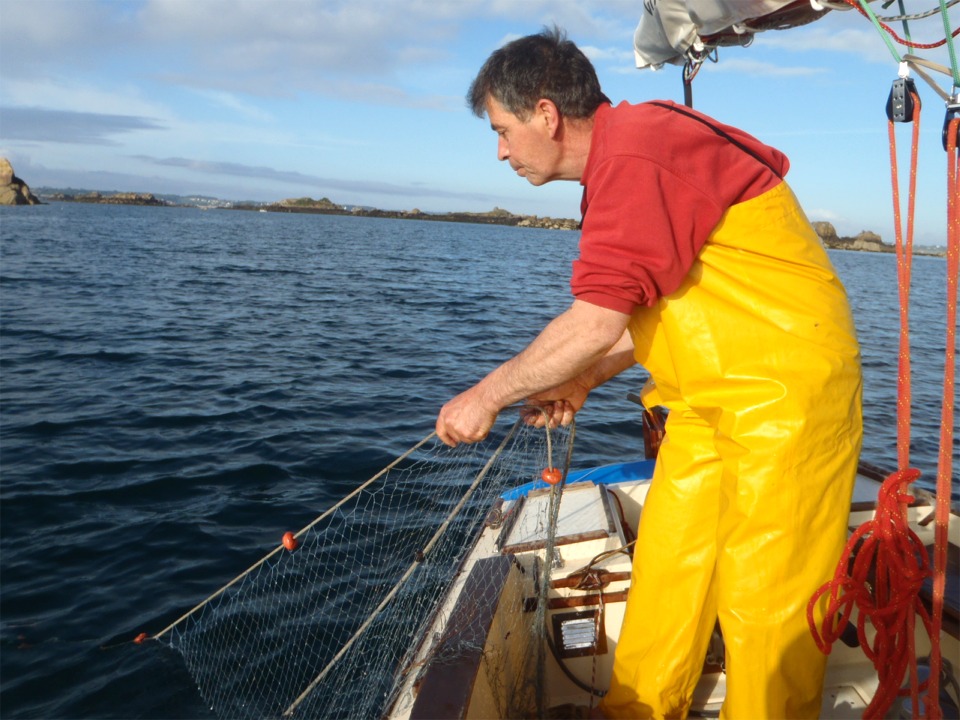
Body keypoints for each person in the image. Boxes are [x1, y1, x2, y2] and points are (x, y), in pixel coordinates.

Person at [436, 26, 862, 719]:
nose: (501, 150)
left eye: (504, 130)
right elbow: (665, 308)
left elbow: (594, 322)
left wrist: (485, 396)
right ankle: (634, 711)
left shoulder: (635, 156)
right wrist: (581, 381)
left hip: (787, 406)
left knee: (765, 599)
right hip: (705, 406)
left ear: (546, 114)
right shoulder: (629, 158)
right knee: (669, 566)